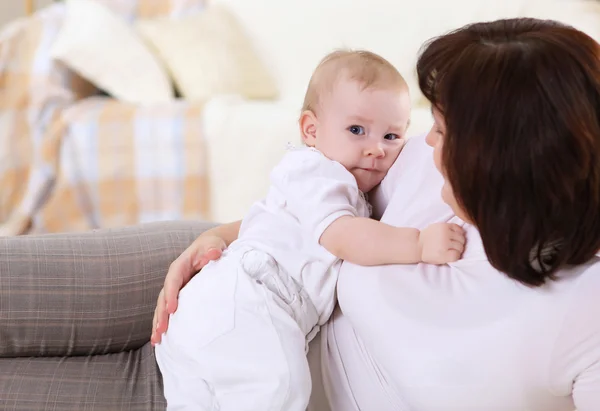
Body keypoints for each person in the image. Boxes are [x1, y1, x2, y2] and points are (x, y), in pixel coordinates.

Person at [152, 17, 600, 411]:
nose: (424, 142)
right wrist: (217, 237)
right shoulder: (422, 171)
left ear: (497, 159)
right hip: (243, 302)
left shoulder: (585, 308)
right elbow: (316, 213)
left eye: (441, 130)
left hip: (268, 376)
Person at [154, 50, 465, 411]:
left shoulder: (332, 185)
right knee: (281, 390)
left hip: (218, 311)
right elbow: (343, 237)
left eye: (392, 135)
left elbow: (265, 223)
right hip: (249, 300)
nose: (376, 149)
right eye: (356, 130)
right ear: (311, 130)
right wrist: (419, 243)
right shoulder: (318, 172)